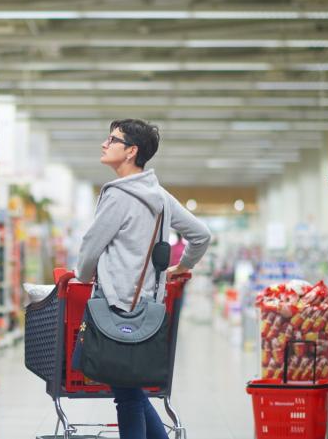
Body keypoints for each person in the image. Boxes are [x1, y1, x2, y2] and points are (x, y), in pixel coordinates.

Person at [75, 119, 211, 439]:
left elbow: (91, 246)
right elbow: (201, 235)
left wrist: (81, 277)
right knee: (131, 390)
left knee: (127, 396)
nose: (104, 144)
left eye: (112, 139)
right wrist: (181, 267)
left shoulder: (118, 195)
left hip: (116, 305)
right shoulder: (159, 195)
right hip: (148, 308)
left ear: (131, 151)